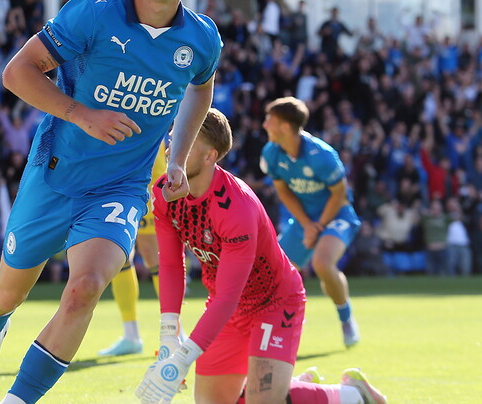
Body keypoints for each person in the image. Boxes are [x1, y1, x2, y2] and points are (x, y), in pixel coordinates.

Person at [0, 0, 222, 403]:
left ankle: (16, 400)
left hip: (121, 185)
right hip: (55, 174)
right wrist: (82, 114)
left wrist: (176, 159)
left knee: (85, 287)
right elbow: (17, 73)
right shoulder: (93, 12)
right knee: (5, 293)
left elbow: (200, 92)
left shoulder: (202, 38)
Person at [135, 109, 387, 404]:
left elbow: (229, 295)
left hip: (274, 302)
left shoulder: (236, 209)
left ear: (209, 156)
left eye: (183, 141)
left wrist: (182, 359)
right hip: (226, 307)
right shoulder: (164, 192)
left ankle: (352, 395)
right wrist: (168, 338)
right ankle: (290, 386)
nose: (170, 147)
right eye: (172, 137)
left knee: (264, 402)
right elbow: (170, 264)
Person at [260, 97, 362, 348]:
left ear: (285, 127)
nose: (264, 125)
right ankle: (280, 330)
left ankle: (346, 319)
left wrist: (317, 227)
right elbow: (284, 192)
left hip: (337, 215)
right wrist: (307, 224)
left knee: (322, 263)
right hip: (305, 220)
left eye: (270, 120)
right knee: (274, 273)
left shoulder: (322, 155)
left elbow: (339, 195)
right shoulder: (271, 153)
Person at [98, 144, 165, 357]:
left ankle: (174, 332)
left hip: (149, 179)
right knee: (120, 256)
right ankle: (131, 335)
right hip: (117, 183)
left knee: (154, 255)